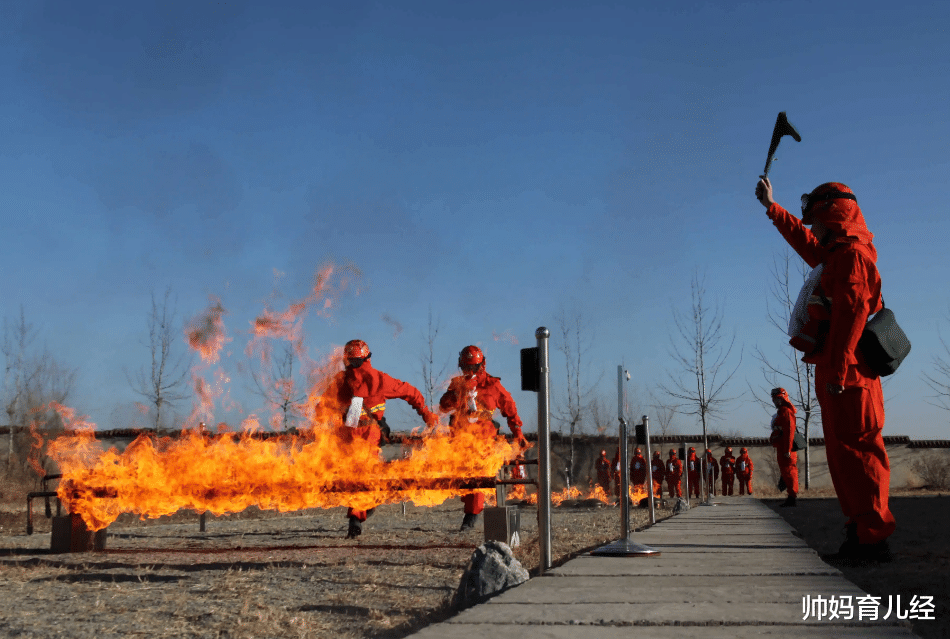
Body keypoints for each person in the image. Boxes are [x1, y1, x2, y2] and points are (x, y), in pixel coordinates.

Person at [756, 177, 894, 562]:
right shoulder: (837, 254)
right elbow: (806, 244)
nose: (811, 227)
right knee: (844, 456)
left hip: (849, 375)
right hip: (839, 373)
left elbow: (852, 315)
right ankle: (859, 533)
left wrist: (836, 372)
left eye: (815, 219)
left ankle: (872, 539)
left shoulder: (852, 256)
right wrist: (772, 207)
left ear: (833, 215)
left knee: (860, 454)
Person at [322, 339, 437, 539]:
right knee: (360, 476)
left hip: (356, 436)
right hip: (360, 434)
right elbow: (411, 392)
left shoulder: (343, 380)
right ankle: (367, 505)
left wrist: (318, 425)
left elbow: (323, 406)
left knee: (359, 475)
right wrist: (425, 412)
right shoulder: (378, 379)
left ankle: (357, 516)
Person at [440, 345, 527, 531]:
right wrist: (456, 394)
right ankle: (471, 509)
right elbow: (444, 406)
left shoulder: (493, 385)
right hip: (460, 440)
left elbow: (510, 409)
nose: (469, 372)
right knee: (464, 480)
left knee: (478, 476)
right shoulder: (457, 383)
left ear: (482, 365)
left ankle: (471, 517)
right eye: (465, 368)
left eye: (473, 368)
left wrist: (518, 433)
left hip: (483, 440)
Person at [769, 388, 800, 507]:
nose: (775, 401)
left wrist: (788, 449)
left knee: (790, 472)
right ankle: (790, 495)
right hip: (782, 446)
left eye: (778, 399)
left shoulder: (786, 411)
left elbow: (790, 431)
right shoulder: (781, 411)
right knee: (786, 472)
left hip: (786, 448)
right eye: (774, 399)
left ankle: (792, 497)